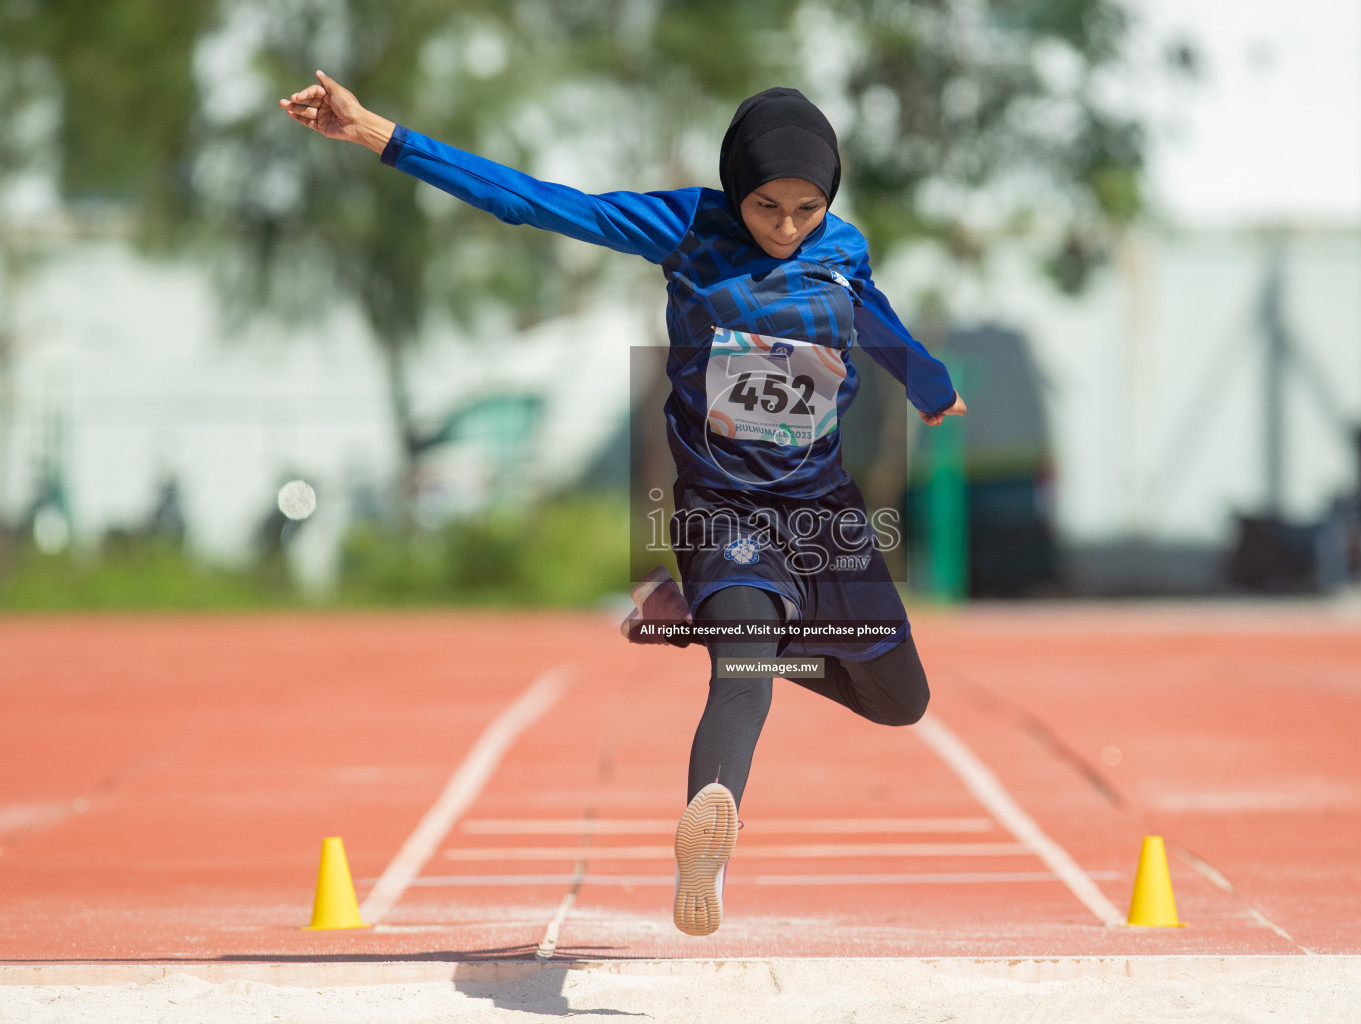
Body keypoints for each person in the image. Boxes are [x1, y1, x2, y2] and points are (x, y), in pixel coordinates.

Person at [280, 72, 966, 937]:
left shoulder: (845, 247)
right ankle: (709, 829)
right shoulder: (687, 227)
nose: (786, 231)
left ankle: (711, 624)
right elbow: (535, 203)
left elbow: (878, 321)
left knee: (901, 701)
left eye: (805, 211)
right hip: (724, 511)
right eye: (765, 208)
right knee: (744, 669)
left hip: (823, 511)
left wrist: (931, 385)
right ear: (732, 188)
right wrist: (384, 135)